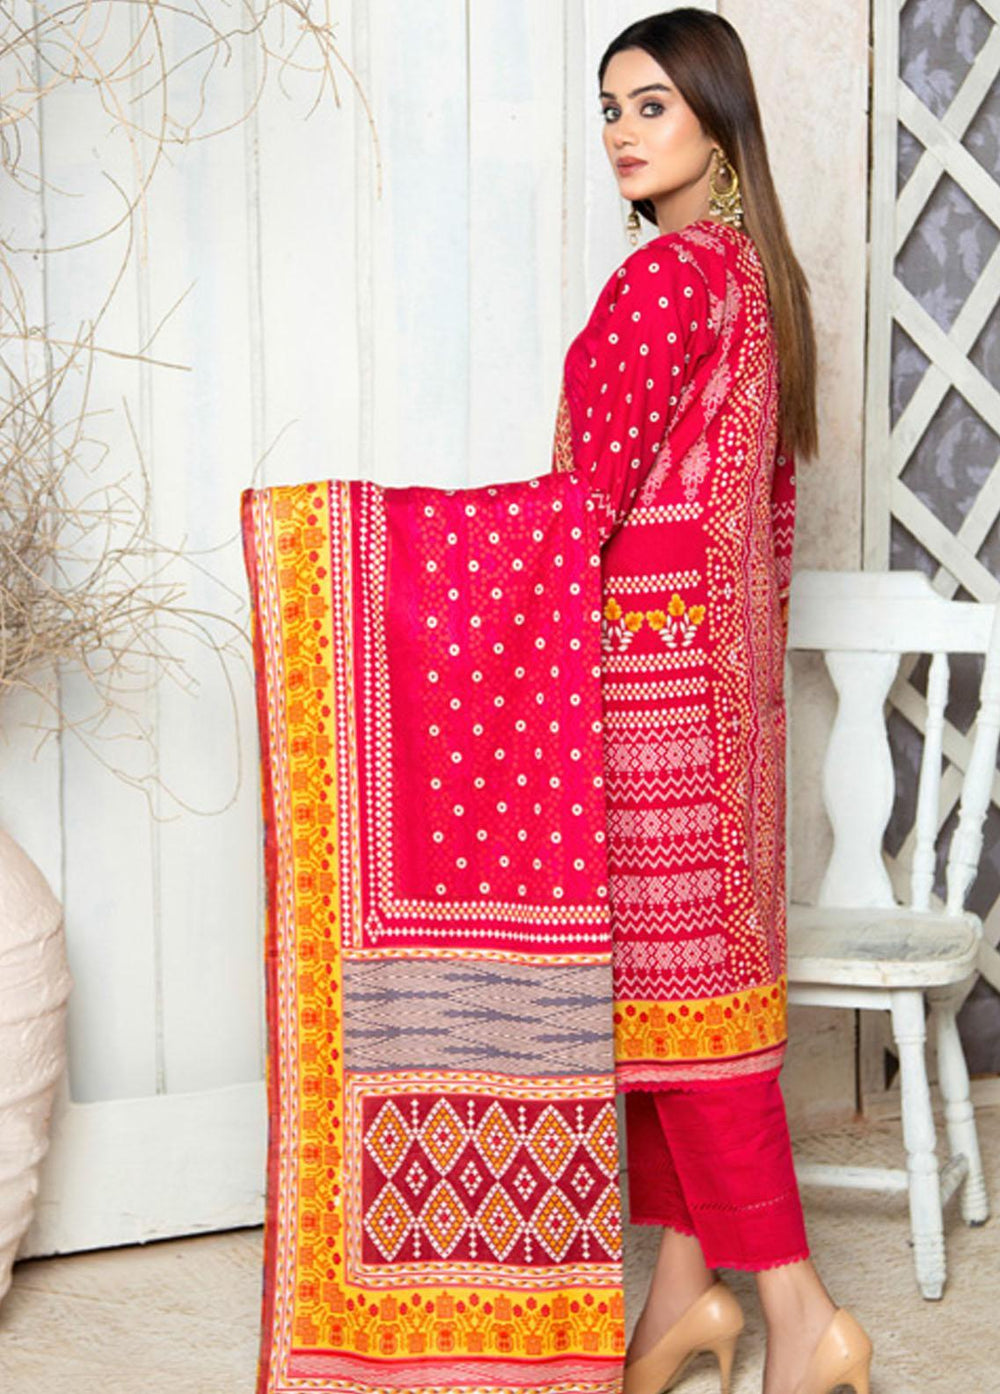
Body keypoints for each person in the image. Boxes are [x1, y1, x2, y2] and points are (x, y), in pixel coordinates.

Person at [547, 11, 875, 1394]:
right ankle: (686, 1299)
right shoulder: (756, 280)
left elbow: (582, 506)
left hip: (647, 690)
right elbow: (768, 528)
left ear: (716, 121)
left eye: (651, 105)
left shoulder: (665, 281)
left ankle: (801, 1316)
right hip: (723, 692)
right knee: (691, 1000)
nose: (622, 132)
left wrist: (411, 560)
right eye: (609, 108)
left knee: (689, 1017)